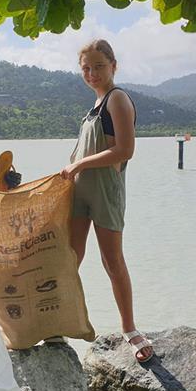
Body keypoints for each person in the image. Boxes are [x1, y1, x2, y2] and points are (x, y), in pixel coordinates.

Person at [59, 39, 154, 363]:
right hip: (80, 194)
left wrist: (79, 164)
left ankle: (129, 328)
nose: (92, 73)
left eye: (99, 66)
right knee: (70, 260)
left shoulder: (118, 100)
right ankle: (60, 322)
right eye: (86, 68)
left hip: (105, 193)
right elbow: (83, 153)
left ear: (114, 65)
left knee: (112, 262)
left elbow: (125, 151)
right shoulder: (93, 109)